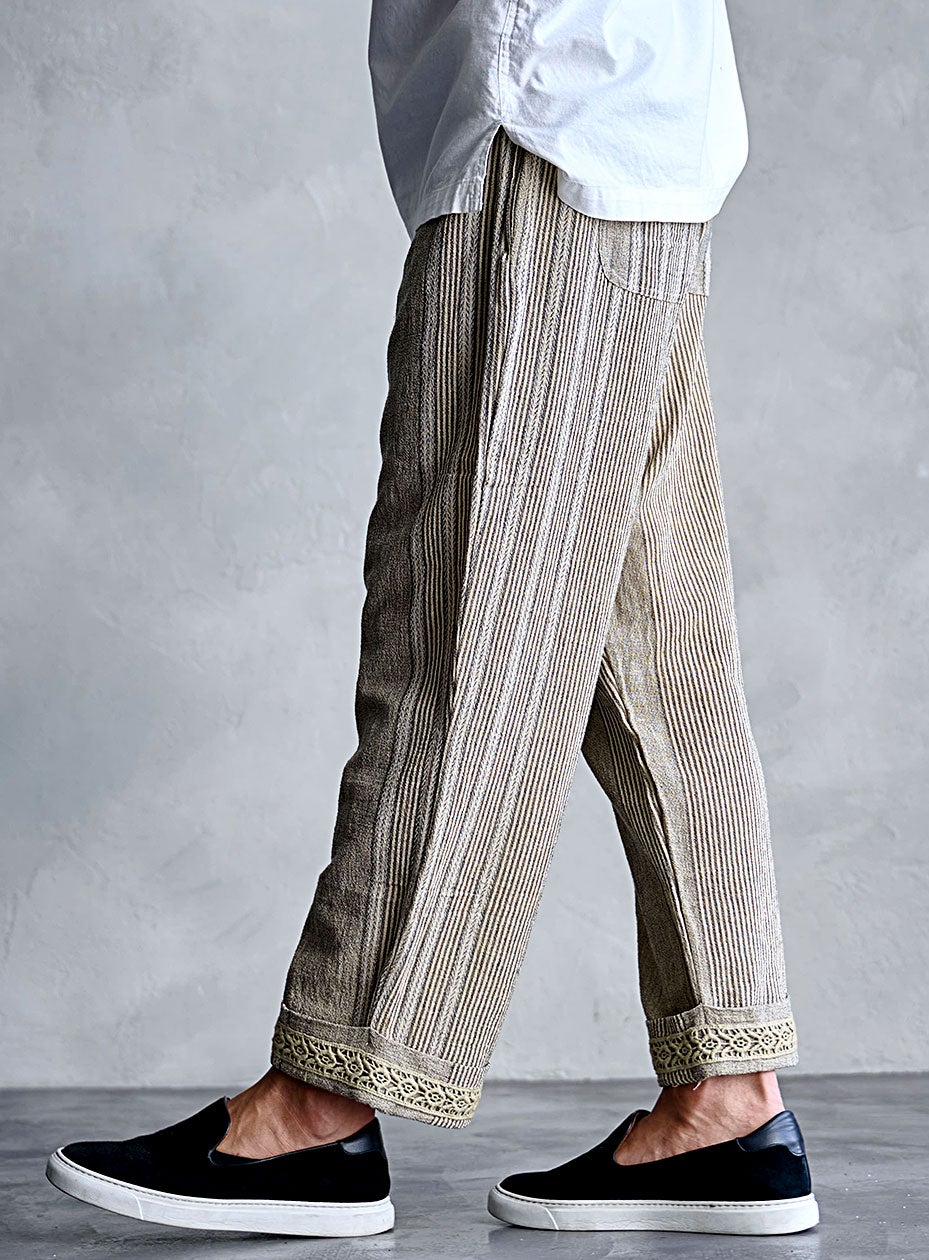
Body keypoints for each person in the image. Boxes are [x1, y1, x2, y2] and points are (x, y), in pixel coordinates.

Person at [44, 0, 820, 1239]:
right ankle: (728, 1097)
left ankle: (324, 1099)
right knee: (656, 666)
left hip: (543, 128)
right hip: (636, 133)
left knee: (453, 639)